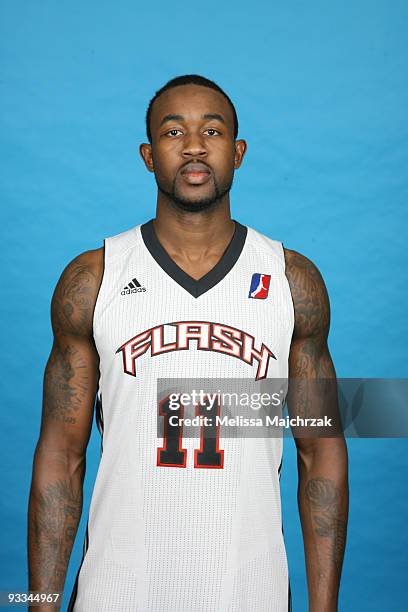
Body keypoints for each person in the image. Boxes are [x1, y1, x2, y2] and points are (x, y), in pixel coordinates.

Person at [28, 74, 348, 611]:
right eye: (174, 131)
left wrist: (325, 608)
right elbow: (62, 456)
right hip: (117, 592)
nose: (195, 145)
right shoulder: (94, 278)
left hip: (252, 593)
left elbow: (320, 451)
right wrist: (38, 603)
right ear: (148, 155)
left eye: (213, 131)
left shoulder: (293, 281)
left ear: (238, 152)